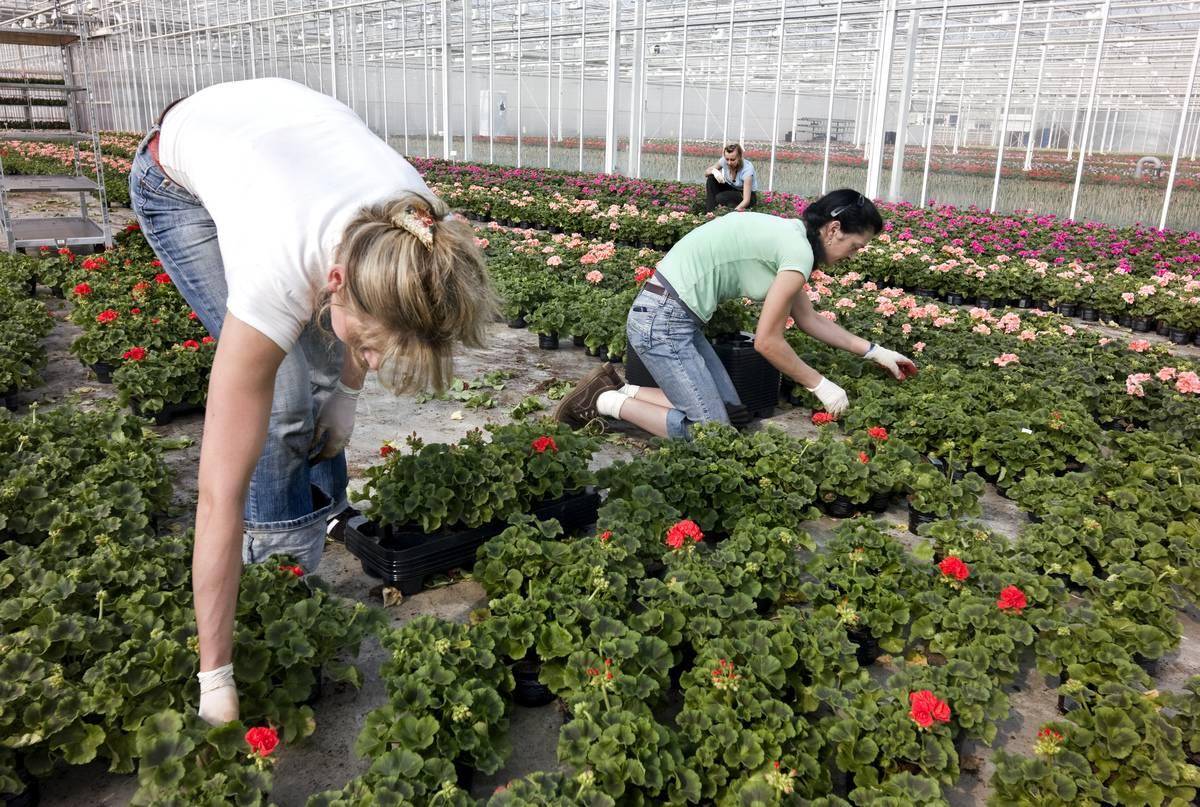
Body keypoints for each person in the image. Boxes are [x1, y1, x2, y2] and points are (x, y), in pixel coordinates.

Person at [129, 77, 496, 726]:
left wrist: (348, 394)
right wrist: (213, 674)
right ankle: (280, 575)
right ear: (334, 280)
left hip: (282, 143)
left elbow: (364, 318)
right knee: (286, 397)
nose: (378, 364)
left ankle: (319, 518)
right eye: (376, 350)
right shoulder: (276, 265)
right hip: (176, 177)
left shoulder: (417, 232)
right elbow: (218, 494)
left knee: (322, 376)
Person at [554, 189, 916, 439]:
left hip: (676, 318)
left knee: (730, 410)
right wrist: (820, 385)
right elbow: (768, 342)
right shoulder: (798, 252)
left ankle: (622, 387)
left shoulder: (793, 240)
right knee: (709, 433)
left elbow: (809, 320)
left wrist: (876, 352)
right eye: (855, 246)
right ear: (834, 229)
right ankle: (603, 401)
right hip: (663, 321)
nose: (852, 255)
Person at [701, 143, 758, 212]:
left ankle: (725, 212)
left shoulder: (747, 170)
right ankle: (710, 213)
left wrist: (734, 213)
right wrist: (714, 172)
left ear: (739, 157)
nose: (729, 162)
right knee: (711, 178)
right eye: (727, 159)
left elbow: (746, 200)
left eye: (733, 160)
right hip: (733, 189)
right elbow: (706, 172)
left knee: (722, 197)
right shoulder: (724, 161)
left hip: (747, 195)